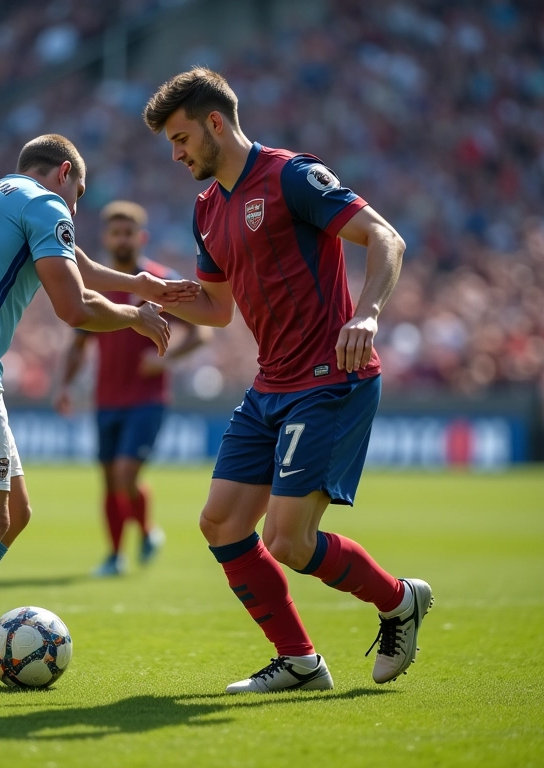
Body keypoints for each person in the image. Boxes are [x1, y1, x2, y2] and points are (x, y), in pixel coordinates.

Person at [143, 68, 433, 693]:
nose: (176, 153)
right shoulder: (205, 209)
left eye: (181, 137)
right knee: (221, 524)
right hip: (270, 385)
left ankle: (399, 600)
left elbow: (385, 236)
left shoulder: (291, 175)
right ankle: (301, 663)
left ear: (215, 122)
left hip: (330, 380)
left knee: (289, 541)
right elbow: (216, 309)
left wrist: (369, 312)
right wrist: (143, 305)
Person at [0, 134, 199, 687]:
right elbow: (73, 305)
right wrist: (134, 316)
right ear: (65, 173)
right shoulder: (45, 202)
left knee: (13, 513)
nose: (75, 207)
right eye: (79, 193)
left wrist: (139, 284)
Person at [54, 201, 211, 577]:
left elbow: (201, 332)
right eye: (115, 232)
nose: (122, 239)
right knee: (109, 480)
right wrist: (65, 386)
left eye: (129, 233)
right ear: (106, 238)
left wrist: (164, 361)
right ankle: (115, 554)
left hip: (147, 397)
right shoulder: (96, 284)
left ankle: (146, 530)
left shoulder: (158, 280)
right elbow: (78, 343)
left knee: (125, 475)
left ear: (141, 237)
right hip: (106, 398)